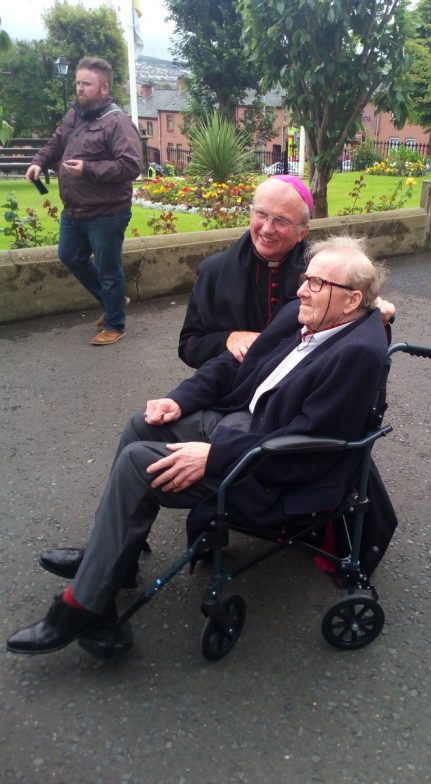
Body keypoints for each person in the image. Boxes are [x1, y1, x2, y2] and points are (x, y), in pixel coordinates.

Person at [7, 236, 390, 655]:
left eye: (316, 283)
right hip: (243, 424)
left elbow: (311, 446)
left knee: (139, 462)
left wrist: (214, 458)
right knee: (142, 424)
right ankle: (119, 562)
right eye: (305, 278)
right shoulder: (302, 315)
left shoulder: (357, 353)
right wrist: (179, 400)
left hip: (273, 471)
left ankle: (83, 606)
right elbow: (230, 364)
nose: (300, 289)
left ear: (352, 301)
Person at [178, 175, 396, 369]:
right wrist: (228, 338)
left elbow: (355, 341)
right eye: (261, 214)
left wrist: (373, 314)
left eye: (280, 220)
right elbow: (188, 346)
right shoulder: (214, 272)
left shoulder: (328, 275)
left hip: (298, 391)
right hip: (227, 389)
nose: (266, 228)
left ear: (303, 232)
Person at [26, 57, 142, 346]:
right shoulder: (75, 115)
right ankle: (113, 301)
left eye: (86, 84)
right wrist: (39, 162)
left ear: (104, 87)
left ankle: (115, 324)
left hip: (107, 212)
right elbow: (56, 142)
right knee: (69, 255)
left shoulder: (117, 122)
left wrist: (88, 169)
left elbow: (130, 167)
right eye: (77, 82)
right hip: (75, 208)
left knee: (108, 268)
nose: (79, 88)